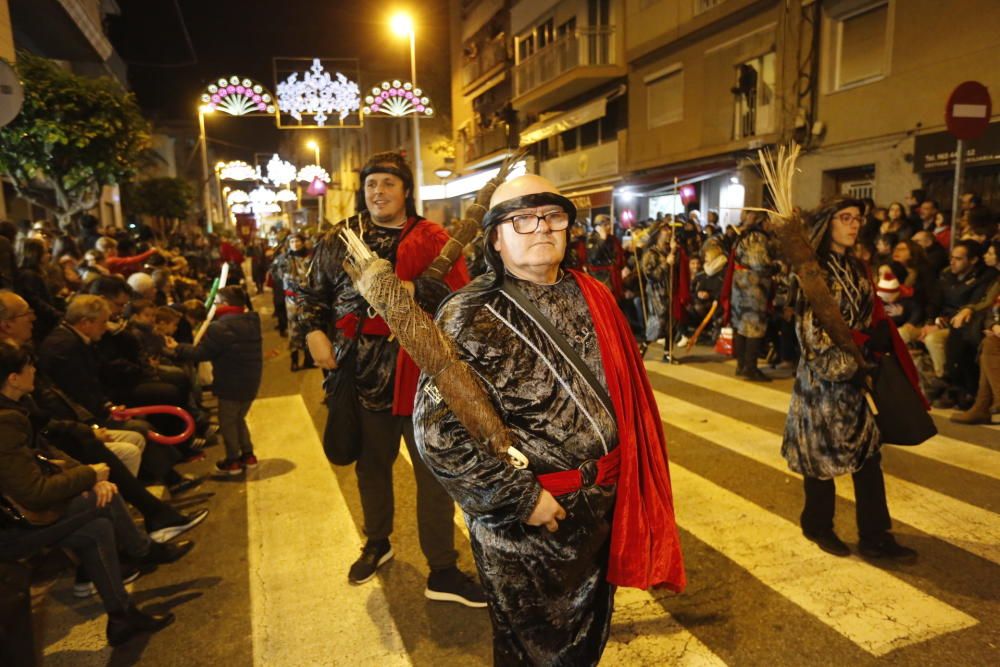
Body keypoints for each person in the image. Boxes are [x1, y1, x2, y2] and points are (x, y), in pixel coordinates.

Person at [414, 175, 685, 665]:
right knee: (532, 654)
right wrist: (520, 498)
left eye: (552, 216)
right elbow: (438, 437)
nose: (540, 227)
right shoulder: (466, 313)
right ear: (495, 237)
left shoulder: (593, 293)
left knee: (586, 643)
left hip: (601, 508)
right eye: (521, 218)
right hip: (525, 525)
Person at [300, 151, 483, 604]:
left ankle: (442, 569)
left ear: (405, 191)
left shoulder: (432, 237)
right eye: (371, 185)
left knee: (434, 475)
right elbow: (310, 291)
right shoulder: (342, 238)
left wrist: (416, 289)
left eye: (387, 184)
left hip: (423, 375)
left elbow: (461, 296)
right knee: (371, 467)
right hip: (361, 374)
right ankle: (377, 543)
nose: (377, 192)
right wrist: (312, 332)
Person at [0, 342, 192, 647]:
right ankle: (142, 550)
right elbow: (34, 492)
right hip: (12, 528)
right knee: (104, 499)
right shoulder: (5, 420)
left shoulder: (16, 407)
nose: (35, 370)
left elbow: (48, 453)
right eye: (29, 366)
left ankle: (121, 617)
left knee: (97, 528)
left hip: (22, 516)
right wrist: (90, 476)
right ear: (12, 377)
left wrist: (90, 475)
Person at [782, 198, 919, 561]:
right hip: (823, 381)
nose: (854, 225)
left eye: (857, 219)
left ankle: (875, 535)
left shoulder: (857, 266)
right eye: (845, 218)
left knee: (868, 456)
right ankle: (817, 525)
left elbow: (868, 316)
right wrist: (848, 366)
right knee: (821, 459)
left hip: (858, 377)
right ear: (828, 223)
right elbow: (809, 332)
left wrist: (874, 346)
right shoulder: (813, 271)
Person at [174, 287, 262, 476]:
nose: (214, 306)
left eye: (216, 302)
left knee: (228, 422)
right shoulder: (252, 321)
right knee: (238, 419)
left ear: (225, 303)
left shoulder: (219, 327)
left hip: (231, 381)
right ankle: (248, 455)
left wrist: (178, 348)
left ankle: (233, 461)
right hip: (251, 380)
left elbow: (202, 353)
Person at [724, 210, 775, 381]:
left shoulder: (744, 236)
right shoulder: (757, 238)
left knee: (741, 326)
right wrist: (777, 266)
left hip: (740, 285)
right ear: (763, 222)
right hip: (752, 288)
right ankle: (749, 367)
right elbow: (759, 263)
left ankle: (742, 365)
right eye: (769, 221)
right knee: (753, 327)